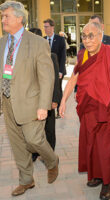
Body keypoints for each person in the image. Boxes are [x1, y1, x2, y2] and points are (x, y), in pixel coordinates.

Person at [59, 22, 110, 200]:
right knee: (91, 145)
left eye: (91, 35)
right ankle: (98, 176)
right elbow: (73, 79)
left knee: (106, 148)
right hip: (88, 110)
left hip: (108, 110)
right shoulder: (82, 55)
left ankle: (107, 183)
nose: (87, 39)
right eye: (84, 36)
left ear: (101, 36)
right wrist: (63, 101)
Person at [0, 1, 59, 196]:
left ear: (19, 18)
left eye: (6, 16)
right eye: (2, 16)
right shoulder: (1, 43)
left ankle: (52, 161)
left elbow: (46, 77)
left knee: (34, 140)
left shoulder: (37, 42)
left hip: (31, 103)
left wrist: (44, 105)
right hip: (8, 102)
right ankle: (26, 180)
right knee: (17, 144)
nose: (2, 20)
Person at [29, 28, 61, 162]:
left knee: (49, 129)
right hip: (30, 100)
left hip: (47, 99)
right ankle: (34, 152)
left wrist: (55, 99)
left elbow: (55, 80)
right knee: (33, 130)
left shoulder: (51, 56)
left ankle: (50, 154)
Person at [43, 18, 66, 118]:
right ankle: (49, 108)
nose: (45, 29)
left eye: (47, 26)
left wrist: (60, 71)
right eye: (44, 27)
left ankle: (59, 110)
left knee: (58, 89)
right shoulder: (43, 40)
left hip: (58, 70)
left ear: (52, 27)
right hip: (47, 71)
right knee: (49, 89)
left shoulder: (60, 39)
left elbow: (63, 56)